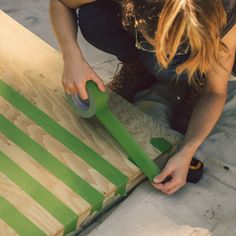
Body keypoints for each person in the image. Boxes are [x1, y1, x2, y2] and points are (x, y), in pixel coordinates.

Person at [49, 0, 236, 195]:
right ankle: (140, 67)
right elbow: (61, 3)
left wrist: (187, 150)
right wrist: (71, 57)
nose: (163, 53)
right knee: (93, 19)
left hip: (207, 40)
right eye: (151, 41)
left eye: (176, 48)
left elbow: (215, 92)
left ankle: (195, 77)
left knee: (166, 65)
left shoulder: (224, 13)